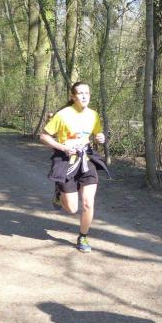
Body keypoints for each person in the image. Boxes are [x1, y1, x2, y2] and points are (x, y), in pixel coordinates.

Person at [39, 82, 106, 253]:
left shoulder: (93, 115)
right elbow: (44, 136)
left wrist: (100, 137)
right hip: (66, 160)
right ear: (73, 96)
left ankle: (83, 236)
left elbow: (97, 134)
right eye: (80, 93)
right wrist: (62, 147)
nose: (84, 96)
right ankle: (59, 192)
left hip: (86, 160)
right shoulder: (63, 115)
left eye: (87, 93)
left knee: (88, 203)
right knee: (72, 208)